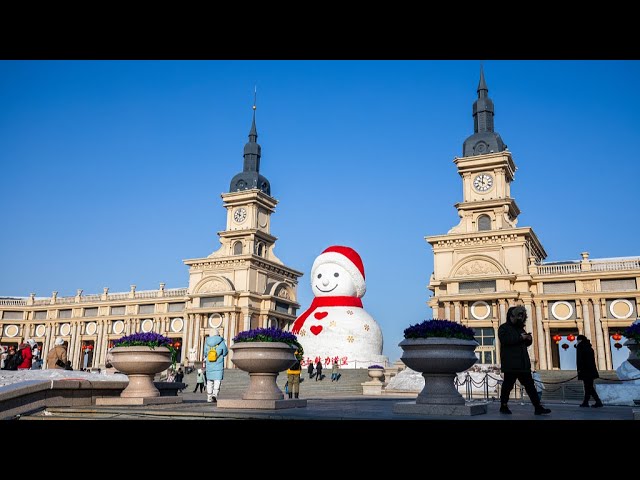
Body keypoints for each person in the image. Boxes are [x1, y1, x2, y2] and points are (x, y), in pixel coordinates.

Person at [498, 306, 551, 415]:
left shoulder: (520, 328)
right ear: (511, 316)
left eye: (521, 316)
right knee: (508, 386)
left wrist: (528, 339)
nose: (519, 318)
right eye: (517, 316)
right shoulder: (503, 328)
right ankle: (503, 406)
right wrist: (520, 338)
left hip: (523, 363)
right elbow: (505, 341)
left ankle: (538, 407)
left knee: (530, 386)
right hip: (511, 363)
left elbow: (524, 343)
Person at [576, 334, 603, 408]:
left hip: (585, 370)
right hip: (591, 370)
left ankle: (597, 401)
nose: (577, 342)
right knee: (588, 387)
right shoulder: (589, 347)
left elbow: (579, 360)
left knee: (589, 387)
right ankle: (586, 402)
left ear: (580, 340)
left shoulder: (580, 347)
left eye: (577, 340)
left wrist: (579, 369)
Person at [203, 328, 228, 403]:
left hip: (209, 363)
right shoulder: (221, 341)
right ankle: (215, 394)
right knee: (217, 380)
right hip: (218, 363)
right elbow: (225, 352)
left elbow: (205, 353)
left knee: (209, 381)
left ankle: (209, 397)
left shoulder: (207, 341)